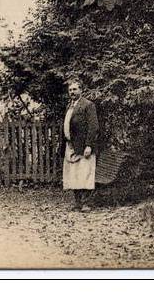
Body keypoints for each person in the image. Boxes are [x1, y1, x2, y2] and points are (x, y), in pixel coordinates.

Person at [62, 77, 98, 212]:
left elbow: (93, 127)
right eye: (70, 89)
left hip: (83, 147)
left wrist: (89, 145)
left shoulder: (88, 105)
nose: (72, 91)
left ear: (81, 90)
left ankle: (86, 204)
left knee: (85, 174)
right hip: (71, 146)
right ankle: (77, 203)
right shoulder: (69, 106)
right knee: (74, 174)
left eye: (75, 89)